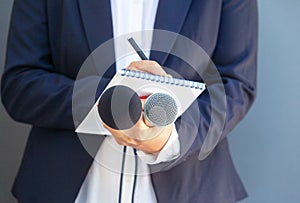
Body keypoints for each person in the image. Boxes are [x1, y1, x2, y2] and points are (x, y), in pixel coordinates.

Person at [1, 0, 258, 202]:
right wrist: (116, 103)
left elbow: (235, 85)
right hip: (64, 187)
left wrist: (170, 137)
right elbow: (20, 84)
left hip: (191, 189)